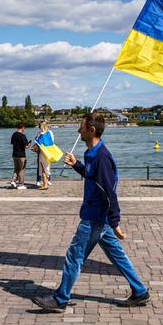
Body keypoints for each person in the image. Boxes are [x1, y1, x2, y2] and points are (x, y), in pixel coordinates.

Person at [32, 113, 149, 312]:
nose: (79, 131)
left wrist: (115, 222)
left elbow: (109, 191)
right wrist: (76, 164)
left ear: (91, 130)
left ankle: (60, 299)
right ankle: (140, 291)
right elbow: (92, 176)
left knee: (74, 256)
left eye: (82, 127)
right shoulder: (93, 153)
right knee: (117, 255)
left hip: (95, 217)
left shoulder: (102, 157)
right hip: (98, 217)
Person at [35, 121, 54, 190]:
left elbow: (37, 142)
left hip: (42, 153)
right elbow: (52, 142)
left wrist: (36, 138)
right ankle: (46, 183)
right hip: (49, 153)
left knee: (42, 169)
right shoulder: (49, 133)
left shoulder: (41, 134)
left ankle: (45, 185)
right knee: (46, 168)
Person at [10, 122, 29, 190]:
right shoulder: (23, 136)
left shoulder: (14, 134)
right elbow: (26, 146)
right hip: (21, 155)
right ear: (23, 127)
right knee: (22, 169)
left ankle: (13, 180)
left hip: (14, 154)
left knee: (16, 169)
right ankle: (21, 184)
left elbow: (12, 143)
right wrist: (28, 145)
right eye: (24, 128)